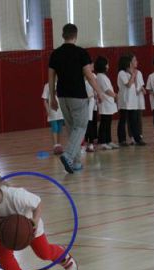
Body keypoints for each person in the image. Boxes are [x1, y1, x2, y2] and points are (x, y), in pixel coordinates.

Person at [49, 23, 104, 173]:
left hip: (62, 95)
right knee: (80, 127)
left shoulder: (55, 53)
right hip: (78, 95)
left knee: (73, 129)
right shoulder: (81, 53)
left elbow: (51, 77)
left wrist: (52, 97)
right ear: (76, 35)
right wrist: (99, 92)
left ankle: (76, 162)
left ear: (63, 35)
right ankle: (68, 156)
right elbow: (88, 75)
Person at [117, 54, 145, 146]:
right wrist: (133, 75)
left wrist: (133, 74)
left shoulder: (130, 73)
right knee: (123, 120)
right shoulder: (121, 73)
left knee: (134, 120)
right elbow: (128, 85)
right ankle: (122, 140)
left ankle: (137, 138)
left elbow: (135, 86)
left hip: (132, 101)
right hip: (125, 101)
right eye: (130, 61)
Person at [94, 56, 119, 150]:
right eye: (107, 64)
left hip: (109, 103)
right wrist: (115, 95)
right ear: (103, 65)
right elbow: (107, 90)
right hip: (105, 103)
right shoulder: (100, 77)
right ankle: (102, 141)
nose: (108, 66)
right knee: (104, 122)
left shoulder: (103, 76)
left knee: (108, 122)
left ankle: (108, 140)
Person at [41, 82, 64, 155]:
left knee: (60, 127)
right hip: (53, 109)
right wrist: (47, 109)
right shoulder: (47, 85)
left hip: (61, 109)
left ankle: (59, 144)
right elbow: (45, 99)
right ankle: (55, 145)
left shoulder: (61, 83)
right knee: (55, 127)